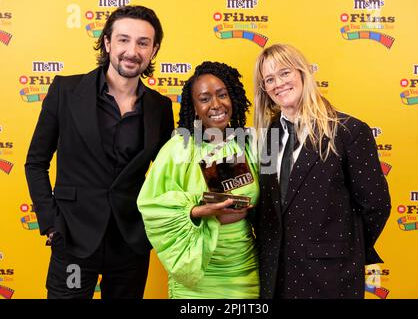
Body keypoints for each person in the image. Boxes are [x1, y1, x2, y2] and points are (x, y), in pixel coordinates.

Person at [24, 5, 174, 299]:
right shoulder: (65, 91)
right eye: (123, 39)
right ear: (107, 43)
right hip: (73, 240)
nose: (132, 51)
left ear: (153, 50)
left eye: (143, 43)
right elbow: (35, 162)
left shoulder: (160, 107)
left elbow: (170, 173)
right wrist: (52, 223)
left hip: (130, 244)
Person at [253, 44, 391, 299]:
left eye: (285, 73)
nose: (278, 84)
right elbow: (270, 208)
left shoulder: (349, 131)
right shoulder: (267, 137)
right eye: (269, 79)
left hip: (331, 276)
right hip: (274, 277)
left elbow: (377, 204)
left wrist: (347, 247)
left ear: (303, 73)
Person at [137, 61, 260, 299]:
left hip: (244, 269)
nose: (216, 104)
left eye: (222, 95)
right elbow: (151, 206)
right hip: (197, 272)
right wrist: (196, 210)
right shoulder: (178, 149)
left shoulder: (248, 145)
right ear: (193, 107)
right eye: (204, 98)